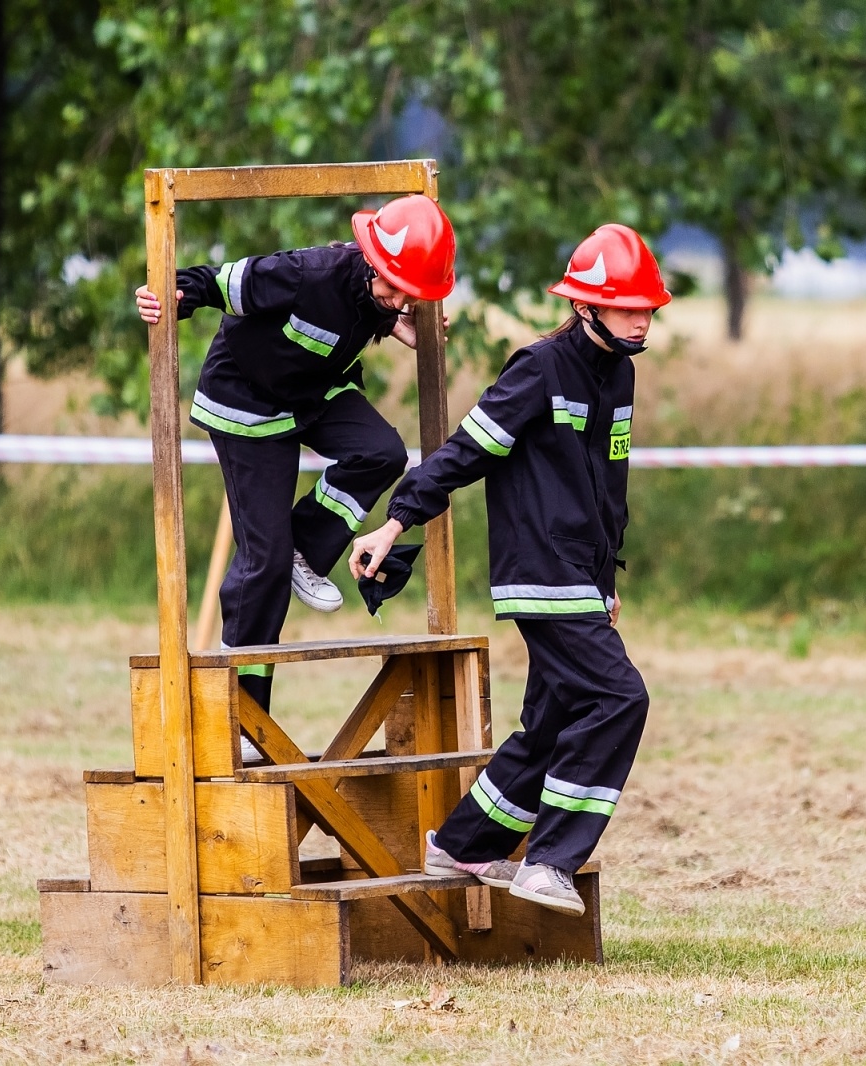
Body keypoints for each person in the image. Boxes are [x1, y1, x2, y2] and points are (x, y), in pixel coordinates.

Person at [349, 224, 668, 916]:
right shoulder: (538, 369)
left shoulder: (622, 374)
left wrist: (607, 578)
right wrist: (397, 519)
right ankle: (548, 862)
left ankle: (463, 842)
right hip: (538, 572)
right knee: (620, 698)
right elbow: (466, 451)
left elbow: (608, 485)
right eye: (625, 305)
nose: (641, 317)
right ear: (585, 306)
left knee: (554, 721)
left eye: (647, 305)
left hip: (580, 577)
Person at [135, 195, 454, 715]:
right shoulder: (308, 273)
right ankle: (242, 714)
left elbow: (370, 312)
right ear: (371, 259)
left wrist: (395, 323)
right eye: (395, 289)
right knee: (264, 565)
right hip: (246, 405)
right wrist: (167, 298)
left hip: (312, 394)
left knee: (382, 453)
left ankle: (300, 549)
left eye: (411, 294)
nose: (400, 301)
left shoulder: (382, 299)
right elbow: (214, 281)